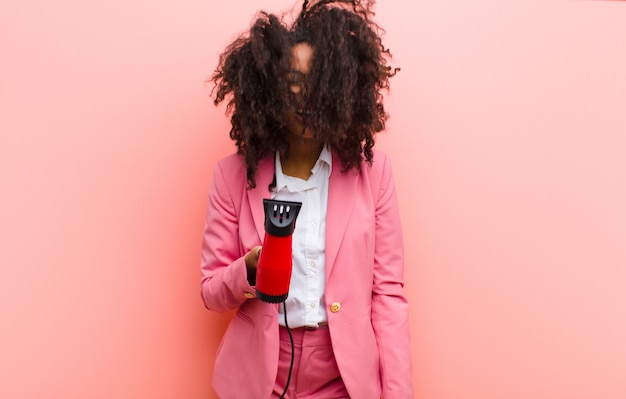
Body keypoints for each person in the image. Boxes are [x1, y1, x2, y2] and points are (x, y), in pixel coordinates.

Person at [200, 1, 413, 397]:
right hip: (259, 374)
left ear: (340, 88)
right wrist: (246, 270)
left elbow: (387, 295)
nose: (304, 95)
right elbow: (210, 291)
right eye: (292, 80)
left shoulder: (375, 174)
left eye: (317, 80)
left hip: (342, 374)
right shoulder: (231, 176)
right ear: (268, 89)